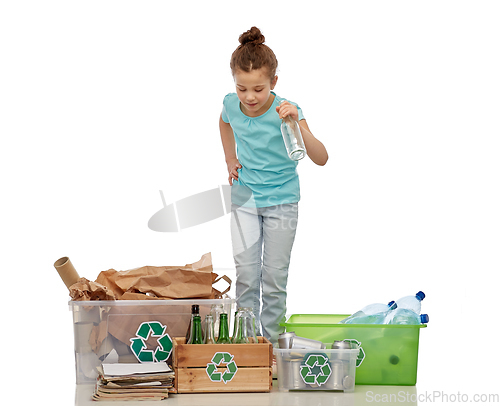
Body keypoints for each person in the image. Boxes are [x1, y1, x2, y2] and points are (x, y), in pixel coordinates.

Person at [219, 27, 328, 344]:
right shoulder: (231, 104)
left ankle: (271, 341)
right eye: (242, 89)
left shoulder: (286, 111)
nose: (250, 97)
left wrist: (297, 123)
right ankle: (247, 343)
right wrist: (230, 159)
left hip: (282, 202)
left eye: (258, 89)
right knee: (247, 276)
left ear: (274, 83)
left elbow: (321, 158)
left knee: (274, 278)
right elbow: (224, 121)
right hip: (245, 200)